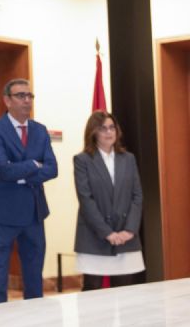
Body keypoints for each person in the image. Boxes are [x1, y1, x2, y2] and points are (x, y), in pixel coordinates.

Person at [0, 78, 58, 304]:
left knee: (34, 275)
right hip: (3, 212)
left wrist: (21, 173)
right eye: (21, 96)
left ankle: (35, 317)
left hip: (34, 212)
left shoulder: (40, 130)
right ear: (7, 100)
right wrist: (34, 165)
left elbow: (52, 169)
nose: (27, 100)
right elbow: (3, 170)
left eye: (29, 95)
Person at [73, 110, 145, 290]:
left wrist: (129, 230)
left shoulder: (128, 159)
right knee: (93, 293)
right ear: (93, 132)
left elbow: (137, 196)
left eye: (112, 127)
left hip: (125, 236)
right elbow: (86, 199)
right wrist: (107, 233)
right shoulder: (82, 160)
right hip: (94, 236)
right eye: (103, 128)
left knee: (125, 293)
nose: (109, 132)